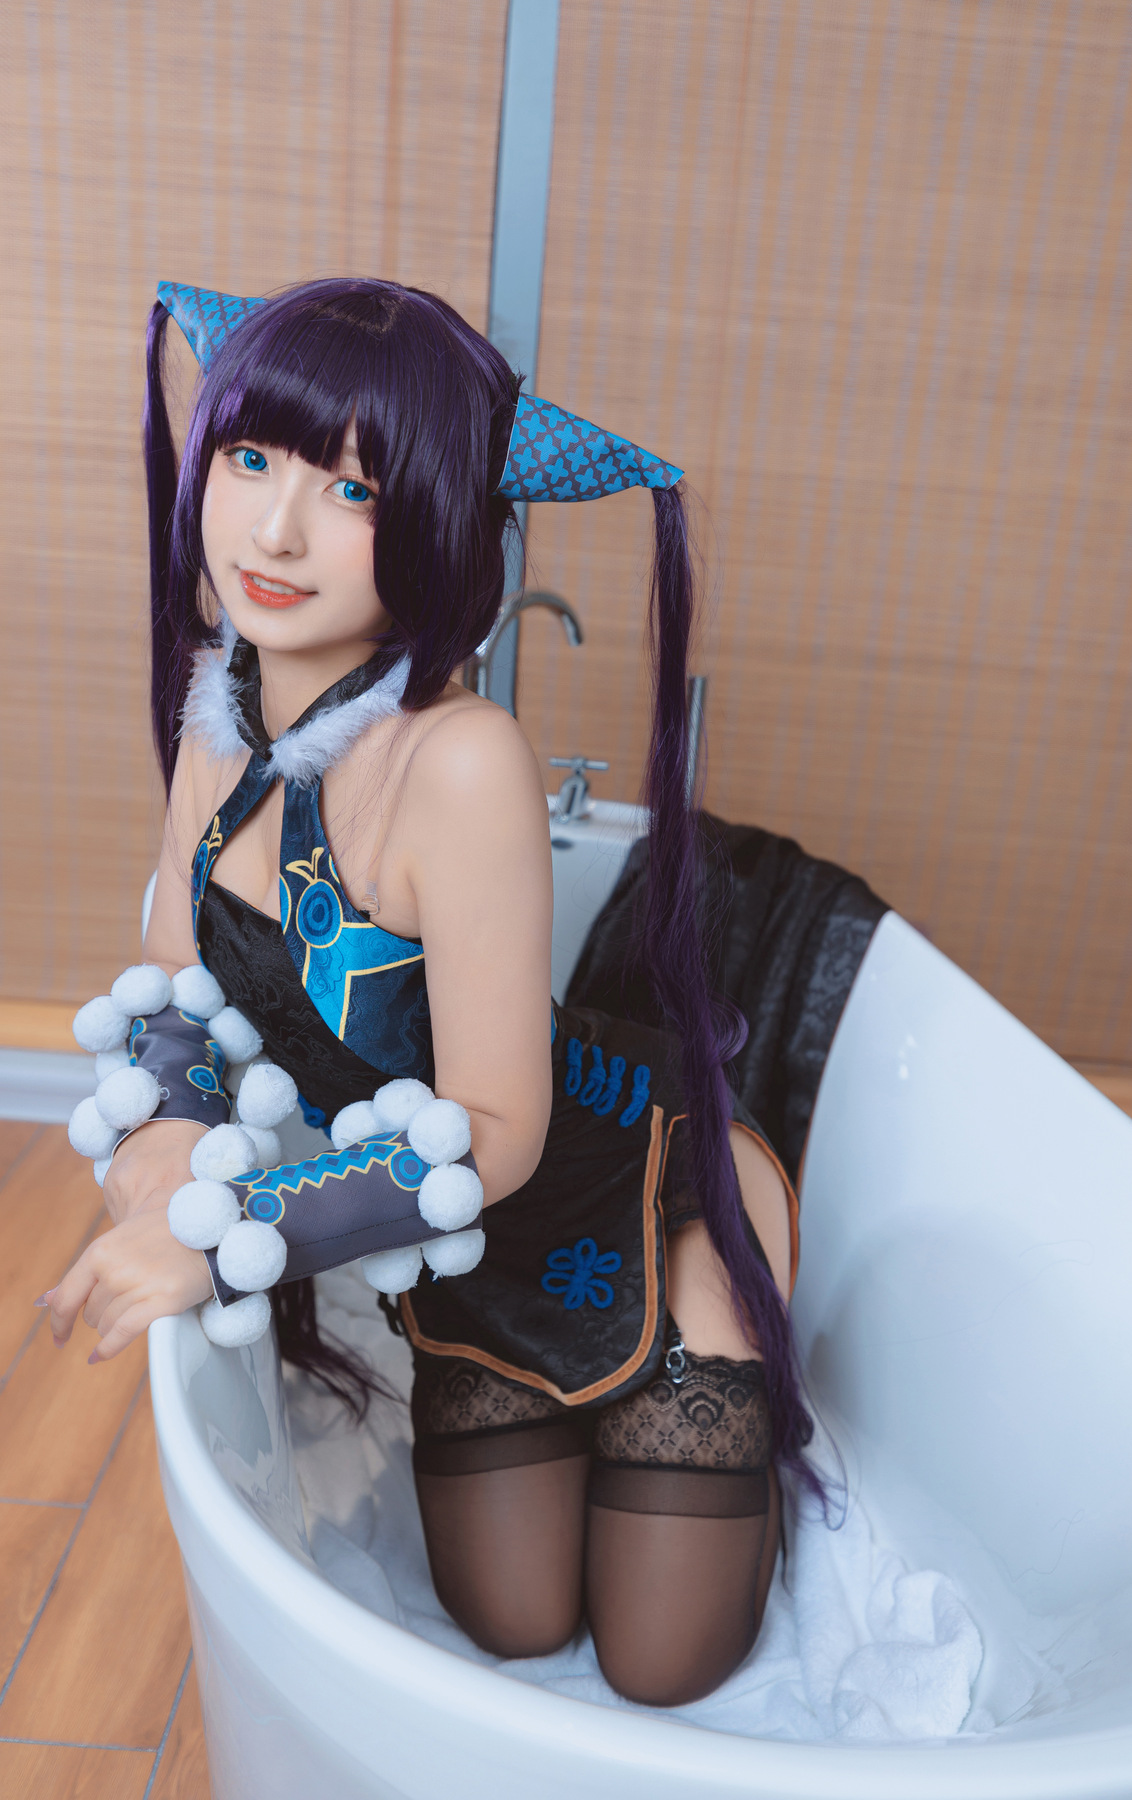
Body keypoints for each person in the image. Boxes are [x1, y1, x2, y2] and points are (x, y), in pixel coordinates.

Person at [45, 278, 816, 1706]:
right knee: (515, 1623)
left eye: (354, 489)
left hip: (628, 1190)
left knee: (660, 1664)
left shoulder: (457, 758)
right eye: (252, 459)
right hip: (468, 1256)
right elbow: (173, 984)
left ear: (446, 524)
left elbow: (497, 1134)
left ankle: (722, 1305)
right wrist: (163, 1146)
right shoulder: (218, 716)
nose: (275, 530)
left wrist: (227, 1242)